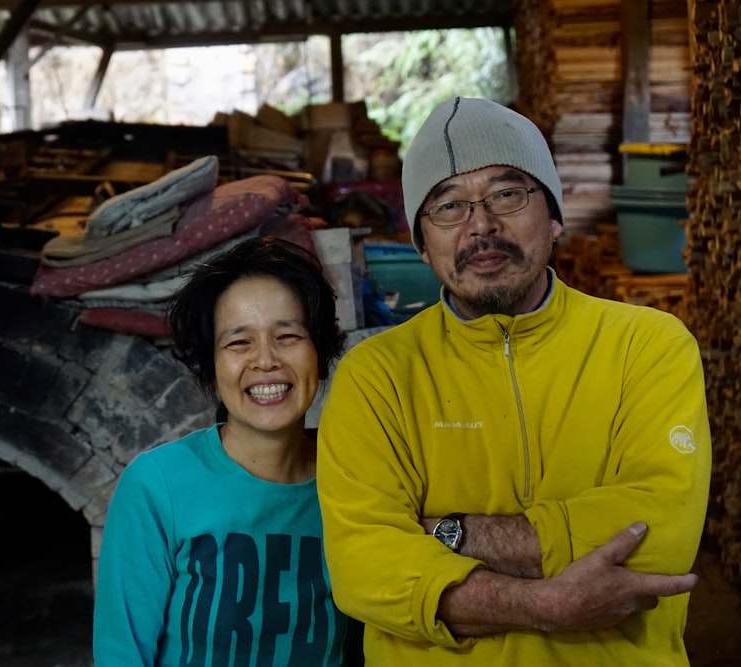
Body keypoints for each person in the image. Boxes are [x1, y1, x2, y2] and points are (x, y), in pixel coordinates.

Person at [316, 96, 711, 665]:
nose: (481, 225)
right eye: (447, 206)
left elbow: (662, 530)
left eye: (507, 193)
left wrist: (445, 533)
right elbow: (363, 568)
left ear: (553, 215)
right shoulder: (375, 377)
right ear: (421, 246)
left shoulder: (648, 345)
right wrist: (546, 605)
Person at [93, 236, 351, 666]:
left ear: (320, 354)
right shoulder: (158, 486)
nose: (266, 360)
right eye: (238, 343)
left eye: (287, 335)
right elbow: (121, 655)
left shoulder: (356, 478)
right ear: (211, 366)